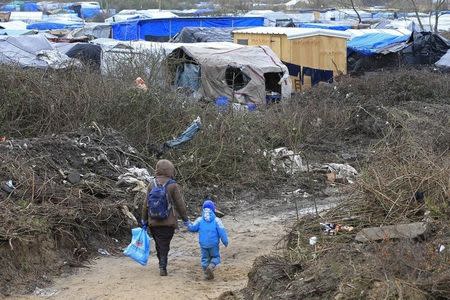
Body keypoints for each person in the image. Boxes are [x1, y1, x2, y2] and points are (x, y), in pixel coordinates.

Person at [141, 159, 189, 276]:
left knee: (159, 244)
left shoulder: (151, 184)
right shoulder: (173, 185)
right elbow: (180, 204)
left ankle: (161, 262)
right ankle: (163, 265)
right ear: (170, 170)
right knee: (165, 244)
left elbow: (145, 204)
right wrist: (185, 219)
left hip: (153, 221)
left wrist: (144, 220)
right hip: (168, 222)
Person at [186, 199, 229, 280]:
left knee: (205, 259)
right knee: (216, 257)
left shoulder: (200, 220)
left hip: (203, 244)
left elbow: (192, 228)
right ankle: (212, 266)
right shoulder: (217, 220)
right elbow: (222, 232)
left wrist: (187, 223)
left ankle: (206, 273)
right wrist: (225, 242)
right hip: (213, 244)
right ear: (213, 209)